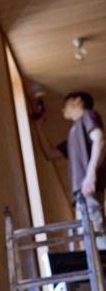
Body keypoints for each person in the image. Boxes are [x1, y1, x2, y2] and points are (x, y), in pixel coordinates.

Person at [39, 92, 106, 249]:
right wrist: (38, 126)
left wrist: (90, 175)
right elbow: (49, 154)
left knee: (96, 234)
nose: (62, 110)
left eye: (65, 104)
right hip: (81, 193)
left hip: (88, 187)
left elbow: (99, 139)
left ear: (77, 101)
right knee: (89, 237)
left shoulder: (87, 116)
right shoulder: (73, 136)